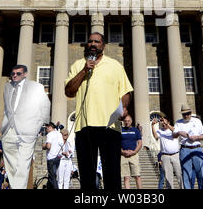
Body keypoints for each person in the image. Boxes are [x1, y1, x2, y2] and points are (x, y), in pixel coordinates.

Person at [65, 32, 133, 190]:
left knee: (112, 174)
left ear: (103, 45)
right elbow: (69, 91)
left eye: (96, 41)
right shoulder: (77, 65)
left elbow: (125, 92)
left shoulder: (115, 66)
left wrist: (124, 107)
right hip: (85, 126)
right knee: (87, 175)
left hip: (110, 125)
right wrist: (84, 70)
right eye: (90, 42)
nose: (92, 44)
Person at [1, 64, 51, 189]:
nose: (14, 76)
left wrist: (39, 126)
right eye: (13, 73)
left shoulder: (36, 87)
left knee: (23, 163)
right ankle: (15, 186)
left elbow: (45, 105)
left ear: (24, 74)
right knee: (10, 164)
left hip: (27, 130)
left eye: (18, 73)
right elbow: (7, 109)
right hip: (9, 129)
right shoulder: (7, 87)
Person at [173, 104, 203, 189]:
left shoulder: (197, 121)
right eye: (184, 114)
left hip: (197, 148)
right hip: (185, 149)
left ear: (191, 113)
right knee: (186, 174)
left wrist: (196, 137)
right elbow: (174, 135)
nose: (186, 115)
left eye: (188, 113)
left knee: (201, 173)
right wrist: (179, 133)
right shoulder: (178, 122)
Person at [151, 116, 183, 189]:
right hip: (165, 156)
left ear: (168, 122)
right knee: (168, 177)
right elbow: (155, 136)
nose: (163, 124)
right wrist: (152, 125)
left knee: (179, 175)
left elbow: (175, 132)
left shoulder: (173, 129)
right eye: (162, 122)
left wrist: (167, 124)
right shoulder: (160, 131)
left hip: (175, 155)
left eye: (165, 122)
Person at [121, 114, 142, 189]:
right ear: (123, 121)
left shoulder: (136, 130)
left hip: (134, 155)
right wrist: (122, 151)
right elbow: (117, 143)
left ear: (131, 121)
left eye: (128, 121)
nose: (127, 122)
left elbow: (140, 143)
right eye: (125, 121)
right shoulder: (120, 130)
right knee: (126, 177)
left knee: (137, 176)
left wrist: (135, 152)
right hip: (123, 156)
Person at [42, 122, 64, 189]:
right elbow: (61, 144)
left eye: (46, 128)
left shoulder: (50, 134)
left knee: (52, 177)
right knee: (52, 175)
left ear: (50, 127)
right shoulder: (59, 134)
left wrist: (44, 146)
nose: (46, 130)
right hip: (58, 157)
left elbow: (48, 146)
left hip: (51, 158)